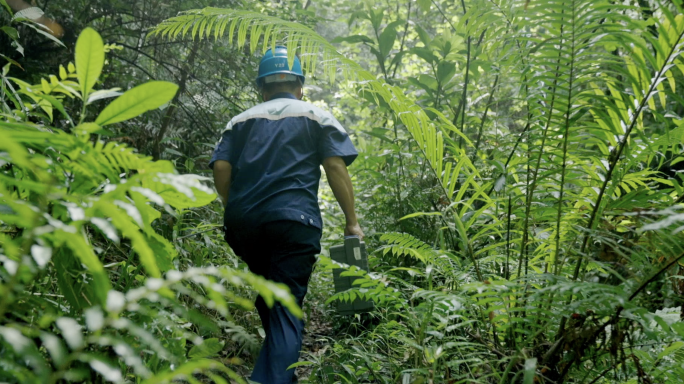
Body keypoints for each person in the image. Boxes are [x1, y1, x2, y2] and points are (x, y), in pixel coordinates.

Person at [210, 46, 364, 384]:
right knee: (284, 307)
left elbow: (221, 166)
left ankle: (283, 376)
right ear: (299, 86)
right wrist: (352, 222)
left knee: (269, 298)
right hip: (295, 223)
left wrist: (230, 205)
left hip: (245, 224)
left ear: (262, 88)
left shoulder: (240, 121)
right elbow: (335, 166)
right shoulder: (315, 115)